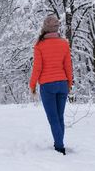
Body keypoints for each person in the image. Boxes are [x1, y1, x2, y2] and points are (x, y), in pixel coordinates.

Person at [29, 14, 73, 155]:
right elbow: (68, 66)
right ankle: (59, 143)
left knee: (53, 118)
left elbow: (37, 68)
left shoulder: (39, 45)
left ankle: (59, 147)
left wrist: (32, 85)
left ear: (45, 28)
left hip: (47, 86)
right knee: (60, 117)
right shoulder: (64, 43)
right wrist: (69, 83)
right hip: (62, 84)